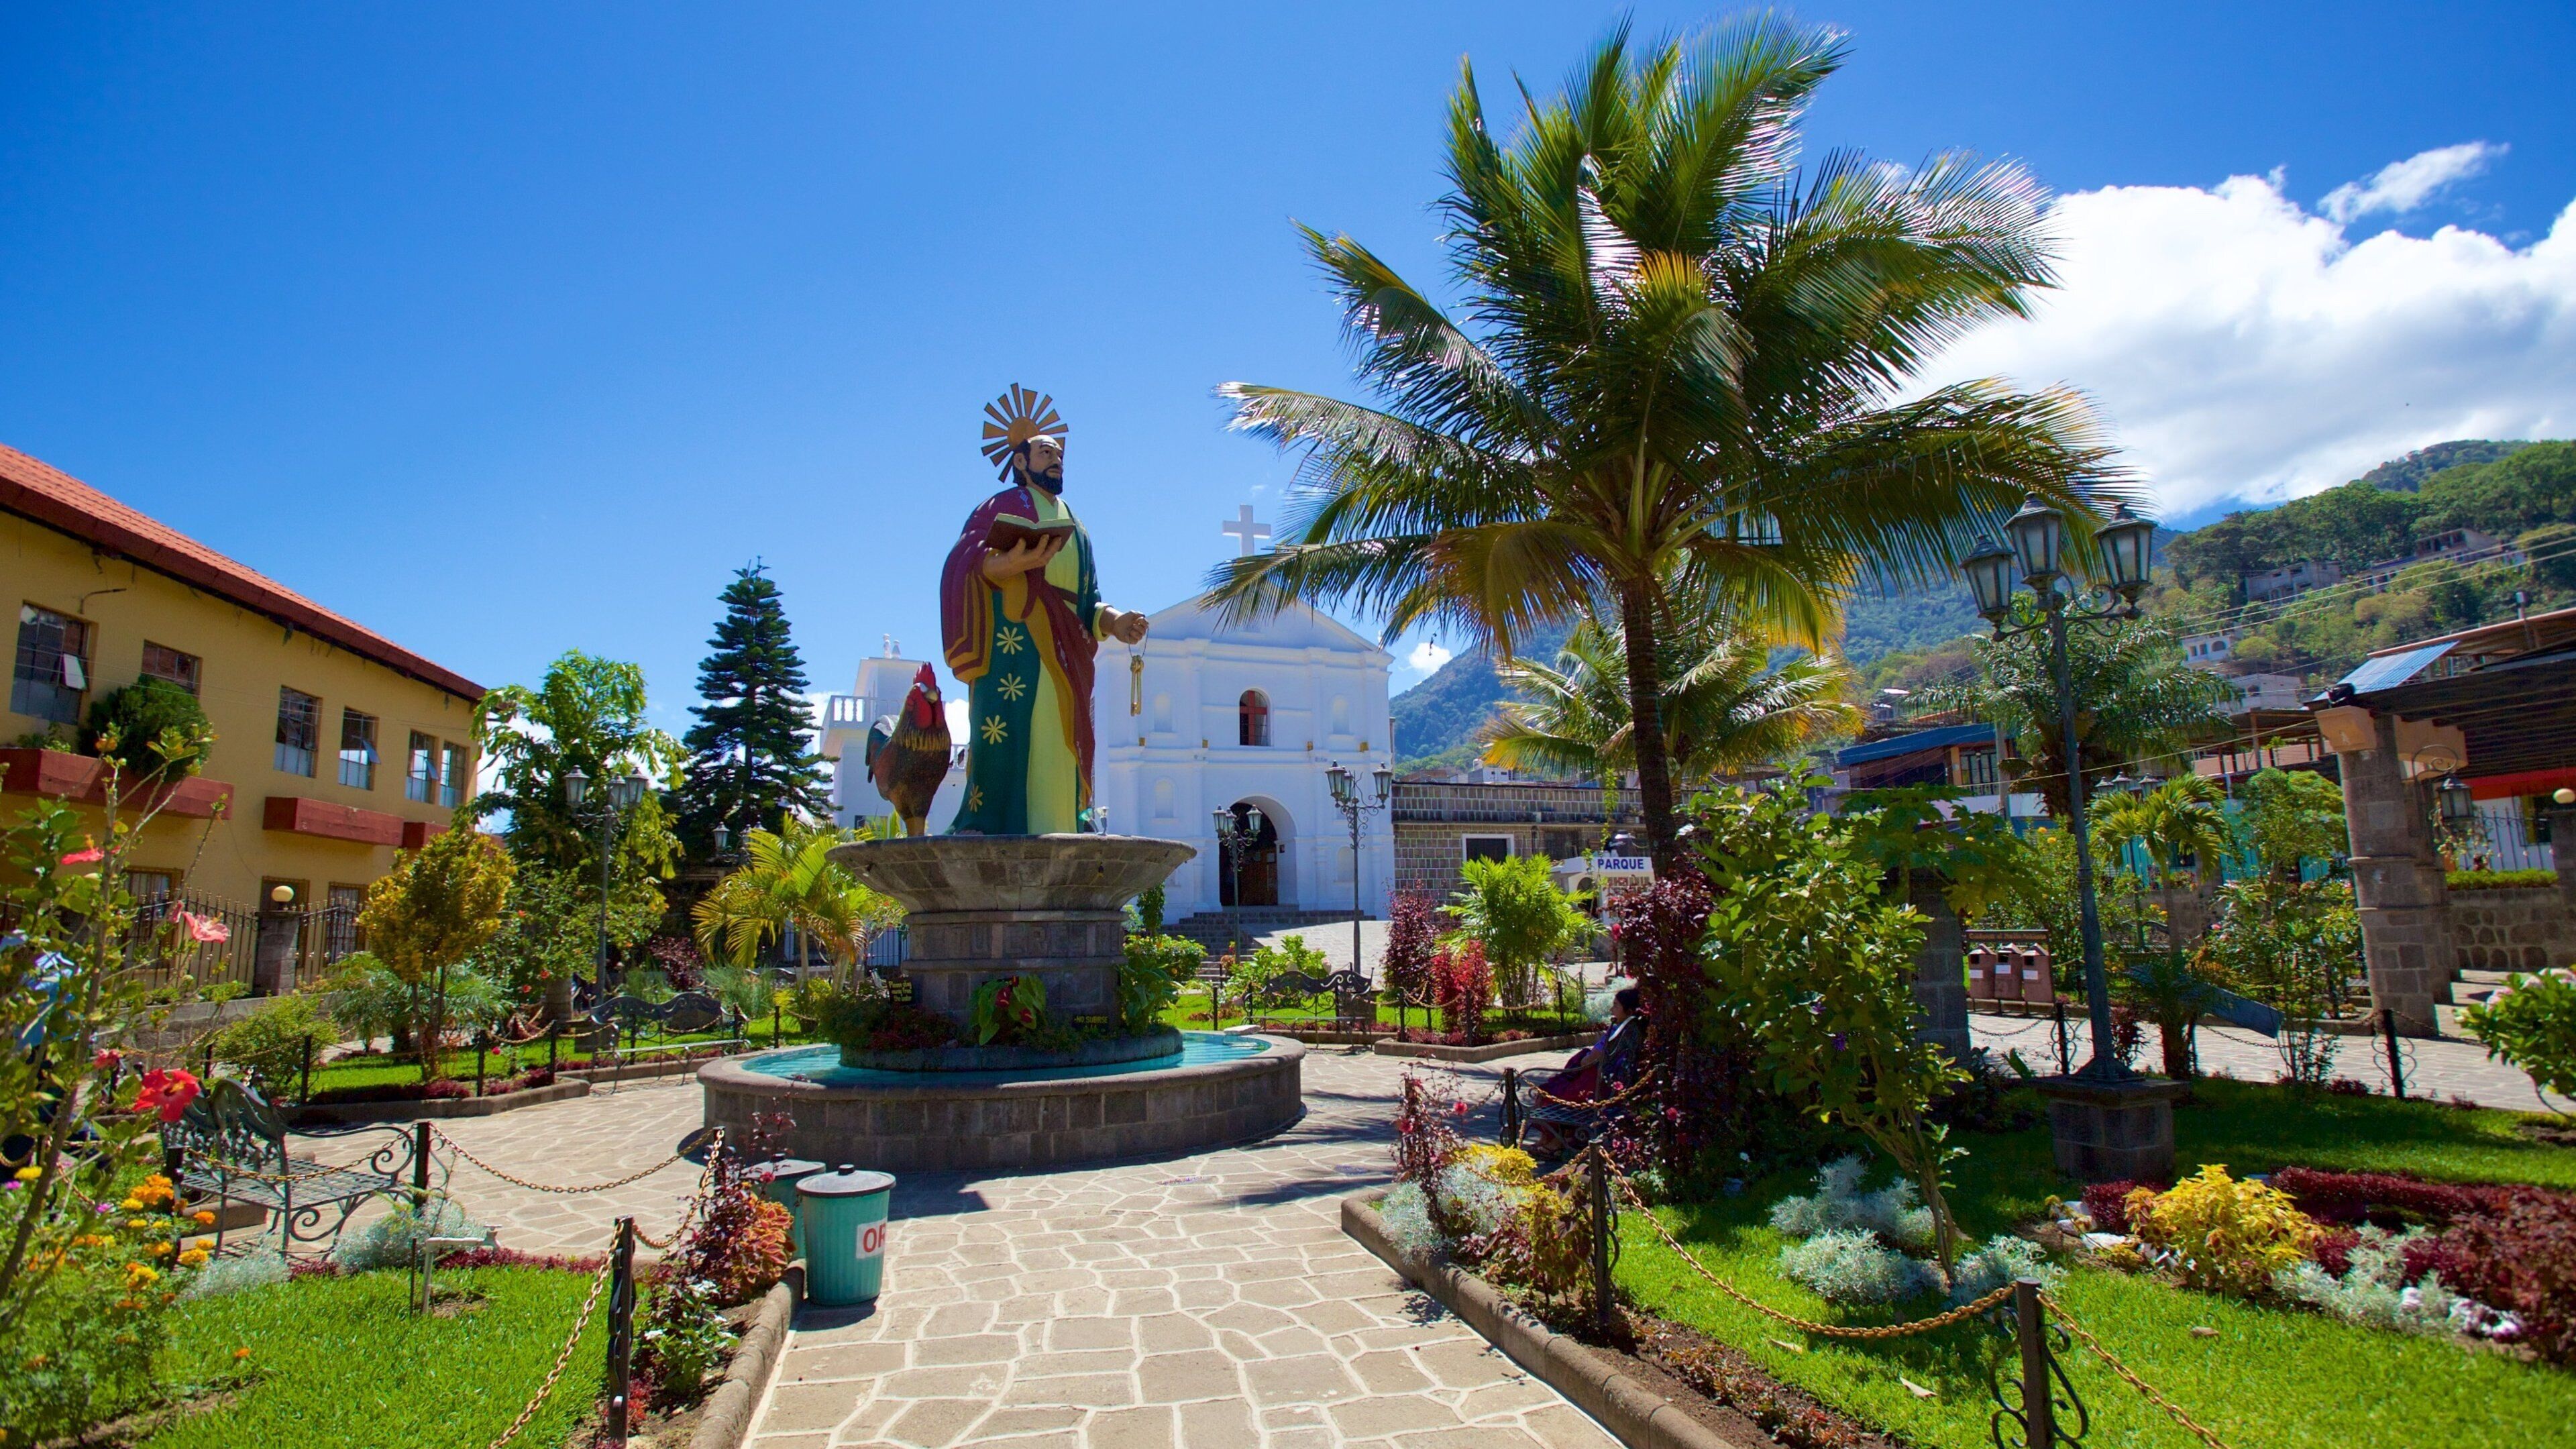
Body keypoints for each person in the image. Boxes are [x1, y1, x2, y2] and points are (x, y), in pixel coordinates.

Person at [938, 386, 1150, 835]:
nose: (1056, 460)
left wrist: (1117, 622)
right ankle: (989, 817)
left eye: (1059, 454)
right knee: (1004, 728)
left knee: (1066, 732)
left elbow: (1089, 600)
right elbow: (964, 559)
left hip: (1067, 646)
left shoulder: (1077, 527)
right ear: (1020, 463)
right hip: (1012, 641)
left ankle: (1070, 818)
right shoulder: (998, 507)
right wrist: (1004, 565)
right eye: (1044, 452)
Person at [1521, 987, 1642, 1157]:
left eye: (1616, 1006)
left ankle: (1555, 1143)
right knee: (1555, 1089)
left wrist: (1582, 1060)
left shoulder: (1617, 1033)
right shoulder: (1628, 1030)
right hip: (1602, 1082)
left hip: (1595, 1085)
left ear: (1628, 1010)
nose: (1611, 1009)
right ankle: (1549, 1140)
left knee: (1549, 1092)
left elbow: (1589, 1060)